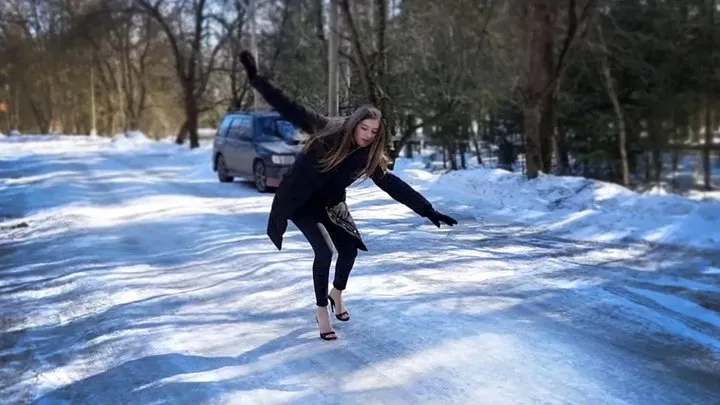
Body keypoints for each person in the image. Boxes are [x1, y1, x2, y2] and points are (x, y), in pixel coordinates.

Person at [239, 51, 458, 341]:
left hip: (330, 204)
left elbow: (391, 184)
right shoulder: (327, 129)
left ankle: (336, 293)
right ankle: (321, 310)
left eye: (373, 131)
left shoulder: (367, 155)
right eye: (363, 128)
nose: (367, 134)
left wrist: (428, 210)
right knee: (325, 251)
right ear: (354, 124)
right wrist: (257, 80)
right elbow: (289, 107)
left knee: (350, 249)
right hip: (301, 202)